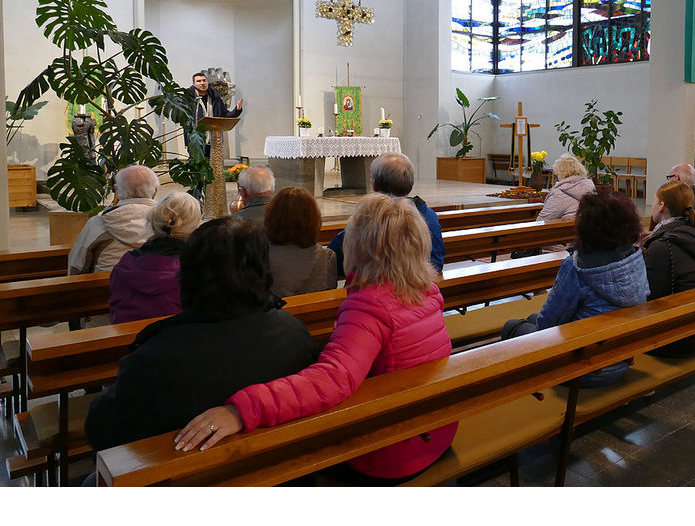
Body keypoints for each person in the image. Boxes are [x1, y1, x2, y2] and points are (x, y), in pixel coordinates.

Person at [174, 193, 456, 485]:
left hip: (389, 453)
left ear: (358, 244)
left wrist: (242, 410)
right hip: (433, 431)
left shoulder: (372, 307)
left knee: (278, 460)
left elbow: (331, 380)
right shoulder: (426, 292)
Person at [84, 217, 319, 453]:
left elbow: (101, 432)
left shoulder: (158, 355)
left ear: (187, 274)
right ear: (263, 271)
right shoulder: (294, 333)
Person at [500, 189, 649, 387]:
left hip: (581, 367)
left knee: (512, 326)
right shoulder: (635, 257)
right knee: (532, 319)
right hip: (619, 358)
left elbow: (547, 325)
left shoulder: (577, 267)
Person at [327, 152, 444, 277]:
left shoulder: (367, 218)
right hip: (418, 289)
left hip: (373, 290)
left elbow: (335, 258)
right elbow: (436, 263)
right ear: (410, 184)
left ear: (374, 185)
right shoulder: (429, 216)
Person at [643, 182, 695, 357]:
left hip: (671, 341)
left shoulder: (663, 245)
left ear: (662, 205)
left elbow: (650, 297)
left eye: (655, 201)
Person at [108, 192, 202, 324]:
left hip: (129, 342)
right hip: (177, 341)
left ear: (152, 224)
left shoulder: (125, 262)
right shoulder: (197, 270)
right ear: (196, 228)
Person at [68, 165, 159, 275]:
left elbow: (77, 264)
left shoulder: (99, 222)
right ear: (155, 192)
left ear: (117, 192)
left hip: (107, 287)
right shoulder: (169, 221)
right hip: (161, 287)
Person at [265, 187, 338, 298]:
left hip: (274, 314)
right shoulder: (327, 257)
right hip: (316, 314)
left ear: (272, 218)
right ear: (314, 219)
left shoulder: (260, 256)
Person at [537, 154, 595, 221]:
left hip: (565, 231)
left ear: (560, 173)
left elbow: (542, 221)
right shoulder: (590, 186)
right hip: (585, 229)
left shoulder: (559, 193)